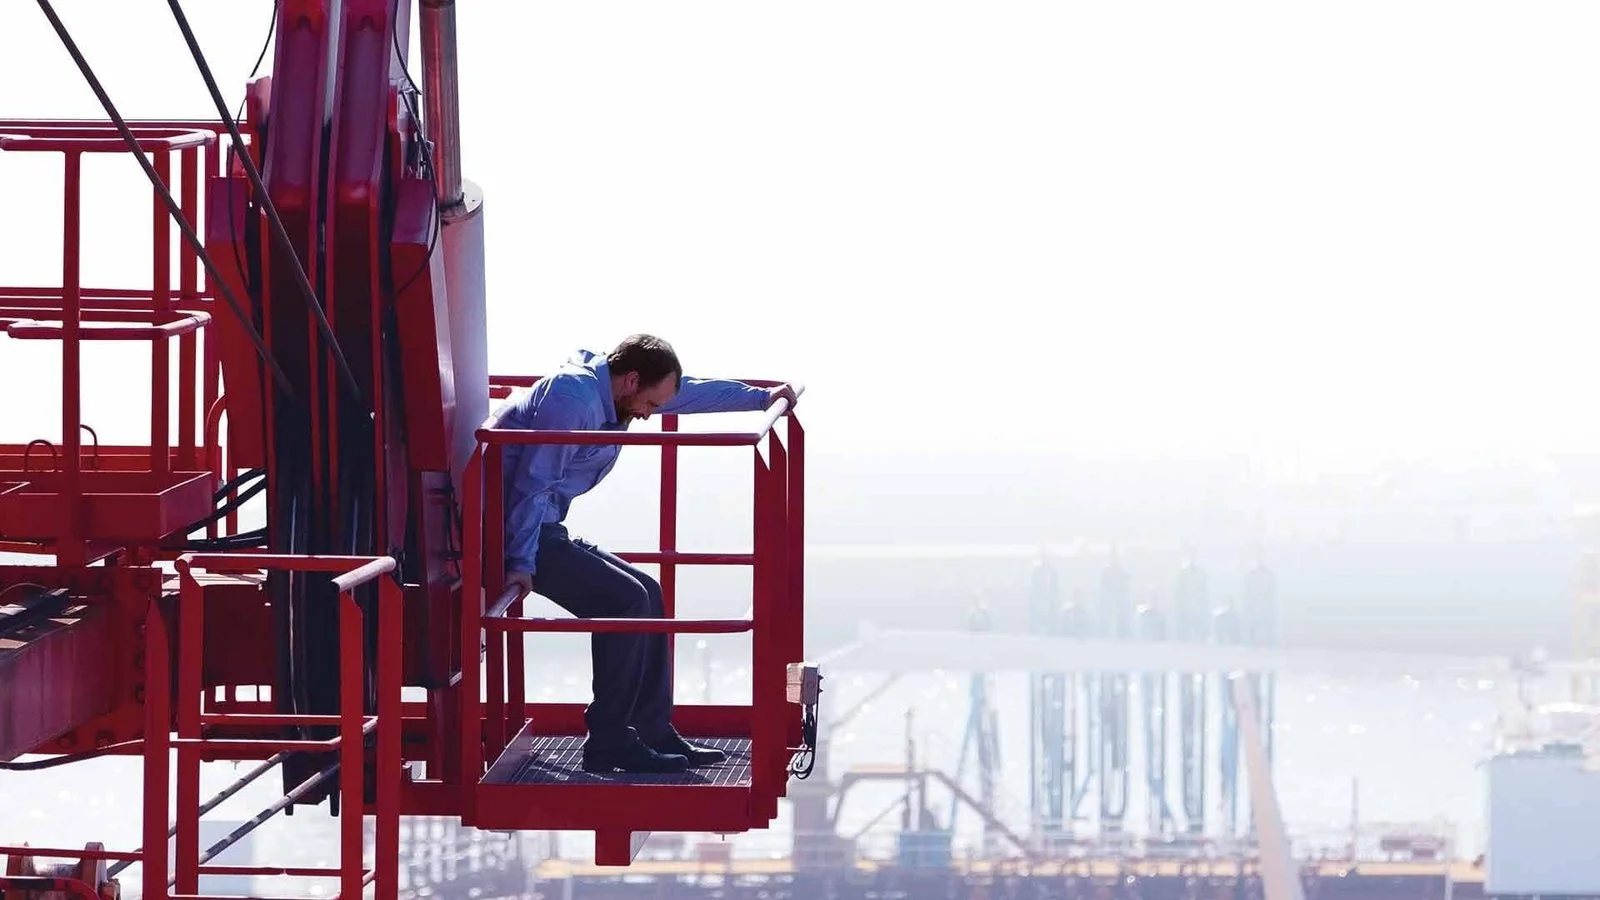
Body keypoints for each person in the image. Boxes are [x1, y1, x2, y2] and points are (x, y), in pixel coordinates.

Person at [497, 334, 798, 774]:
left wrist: (759, 399)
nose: (648, 415)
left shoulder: (615, 391)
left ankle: (652, 730)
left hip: (539, 526)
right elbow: (532, 484)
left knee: (649, 593)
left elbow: (686, 393)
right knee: (625, 602)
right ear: (631, 380)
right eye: (650, 405)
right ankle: (609, 742)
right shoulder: (573, 399)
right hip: (504, 530)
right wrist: (520, 563)